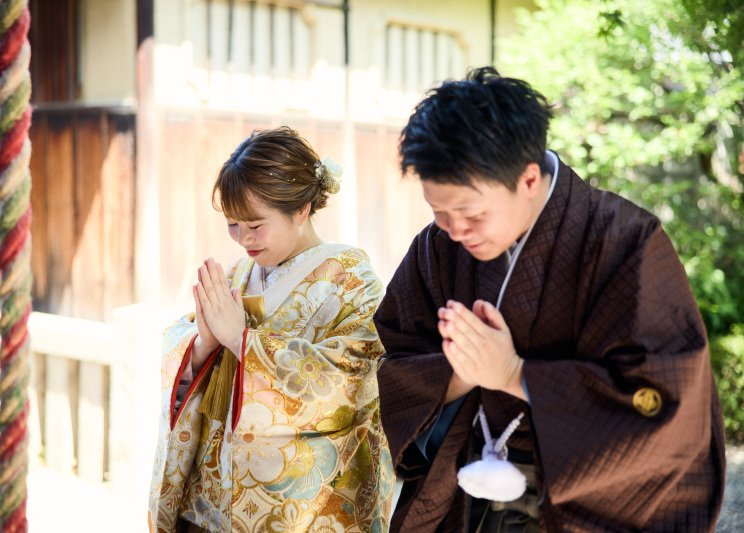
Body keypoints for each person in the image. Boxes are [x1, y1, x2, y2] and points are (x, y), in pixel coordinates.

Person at [375, 67, 726, 533]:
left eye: (471, 213)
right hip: (466, 491)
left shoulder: (624, 241)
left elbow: (664, 397)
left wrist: (513, 375)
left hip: (580, 503)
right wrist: (458, 373)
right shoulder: (436, 247)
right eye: (439, 211)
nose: (456, 230)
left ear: (528, 179)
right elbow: (398, 352)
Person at [148, 127, 394, 533]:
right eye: (232, 225)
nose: (243, 238)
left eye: (255, 225)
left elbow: (350, 383)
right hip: (211, 498)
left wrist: (242, 342)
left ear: (301, 208)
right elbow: (181, 347)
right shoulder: (237, 274)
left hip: (300, 507)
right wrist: (203, 346)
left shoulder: (350, 277)